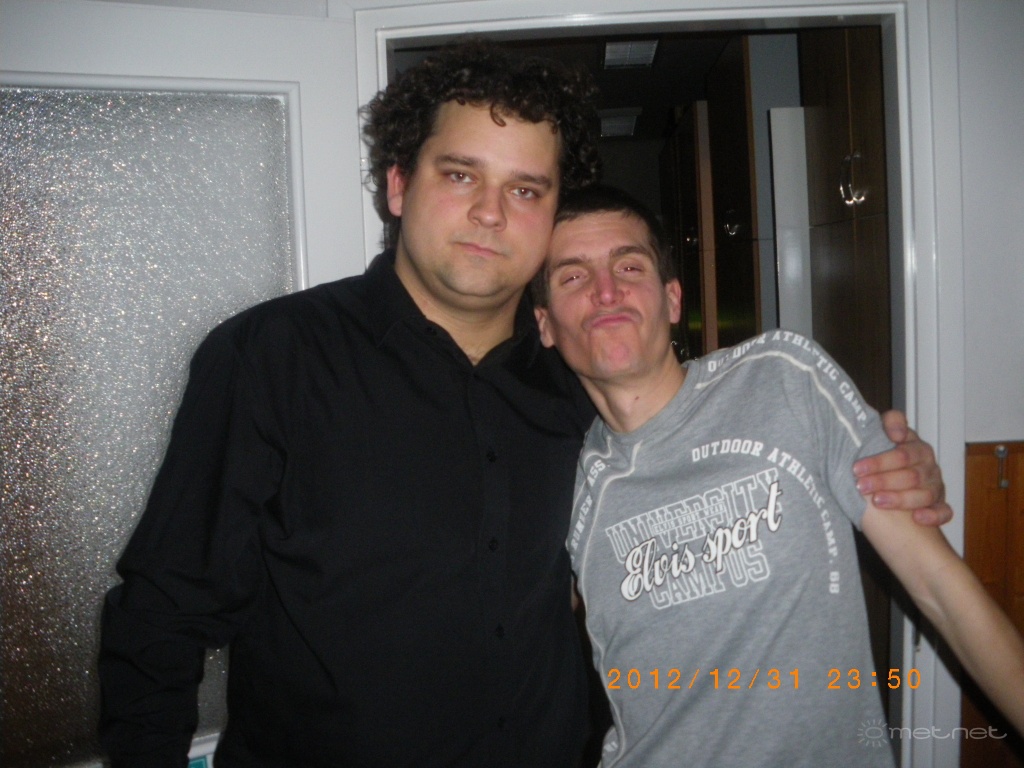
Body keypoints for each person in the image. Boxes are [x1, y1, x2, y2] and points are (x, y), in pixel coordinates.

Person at [97, 40, 950, 767]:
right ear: (397, 185)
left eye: (526, 189)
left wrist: (880, 468)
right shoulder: (272, 357)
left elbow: (716, 458)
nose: (489, 213)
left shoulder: (582, 386)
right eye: (459, 173)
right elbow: (161, 616)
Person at [532, 184, 1024, 767]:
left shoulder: (785, 379)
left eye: (629, 266)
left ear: (672, 299)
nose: (606, 291)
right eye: (573, 277)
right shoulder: (558, 482)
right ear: (545, 324)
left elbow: (940, 587)